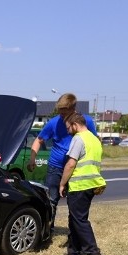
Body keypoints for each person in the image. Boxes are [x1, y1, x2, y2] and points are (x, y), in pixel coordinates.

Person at [27, 93, 98, 232]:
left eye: (64, 110)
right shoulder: (54, 122)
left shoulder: (86, 121)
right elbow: (39, 139)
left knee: (75, 204)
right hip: (55, 168)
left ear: (73, 108)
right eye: (59, 110)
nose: (61, 113)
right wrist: (32, 158)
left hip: (76, 169)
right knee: (50, 200)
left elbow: (94, 141)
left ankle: (75, 235)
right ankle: (47, 231)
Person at [59, 113, 106, 255]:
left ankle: (92, 253)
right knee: (74, 218)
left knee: (79, 219)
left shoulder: (79, 138)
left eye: (68, 128)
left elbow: (71, 164)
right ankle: (75, 251)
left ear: (75, 124)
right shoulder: (94, 139)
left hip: (80, 185)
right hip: (91, 185)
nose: (67, 131)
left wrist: (62, 183)